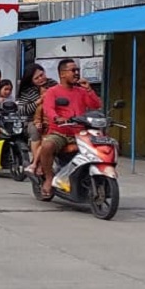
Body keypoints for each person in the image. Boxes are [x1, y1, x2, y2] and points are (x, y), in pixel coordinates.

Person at [36, 58, 102, 198]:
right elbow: (49, 109)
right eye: (73, 70)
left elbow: (96, 105)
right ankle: (49, 178)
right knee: (47, 145)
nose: (76, 73)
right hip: (60, 132)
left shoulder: (81, 91)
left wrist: (89, 89)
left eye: (77, 70)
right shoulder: (52, 92)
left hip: (81, 132)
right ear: (62, 74)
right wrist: (57, 118)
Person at [17, 64, 50, 175]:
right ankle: (38, 163)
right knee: (35, 132)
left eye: (42, 75)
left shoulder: (53, 85)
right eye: (37, 78)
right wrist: (38, 102)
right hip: (32, 120)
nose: (41, 79)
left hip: (52, 119)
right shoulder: (27, 91)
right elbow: (21, 110)